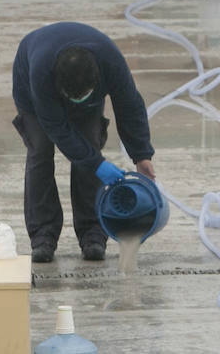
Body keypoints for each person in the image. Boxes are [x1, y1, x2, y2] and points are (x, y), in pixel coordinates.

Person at [11, 22, 156, 264]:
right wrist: (98, 165)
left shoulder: (111, 63)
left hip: (85, 86)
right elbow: (57, 129)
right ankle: (43, 236)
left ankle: (92, 234)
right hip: (31, 90)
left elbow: (129, 106)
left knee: (89, 145)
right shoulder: (40, 74)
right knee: (40, 152)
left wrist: (141, 155)